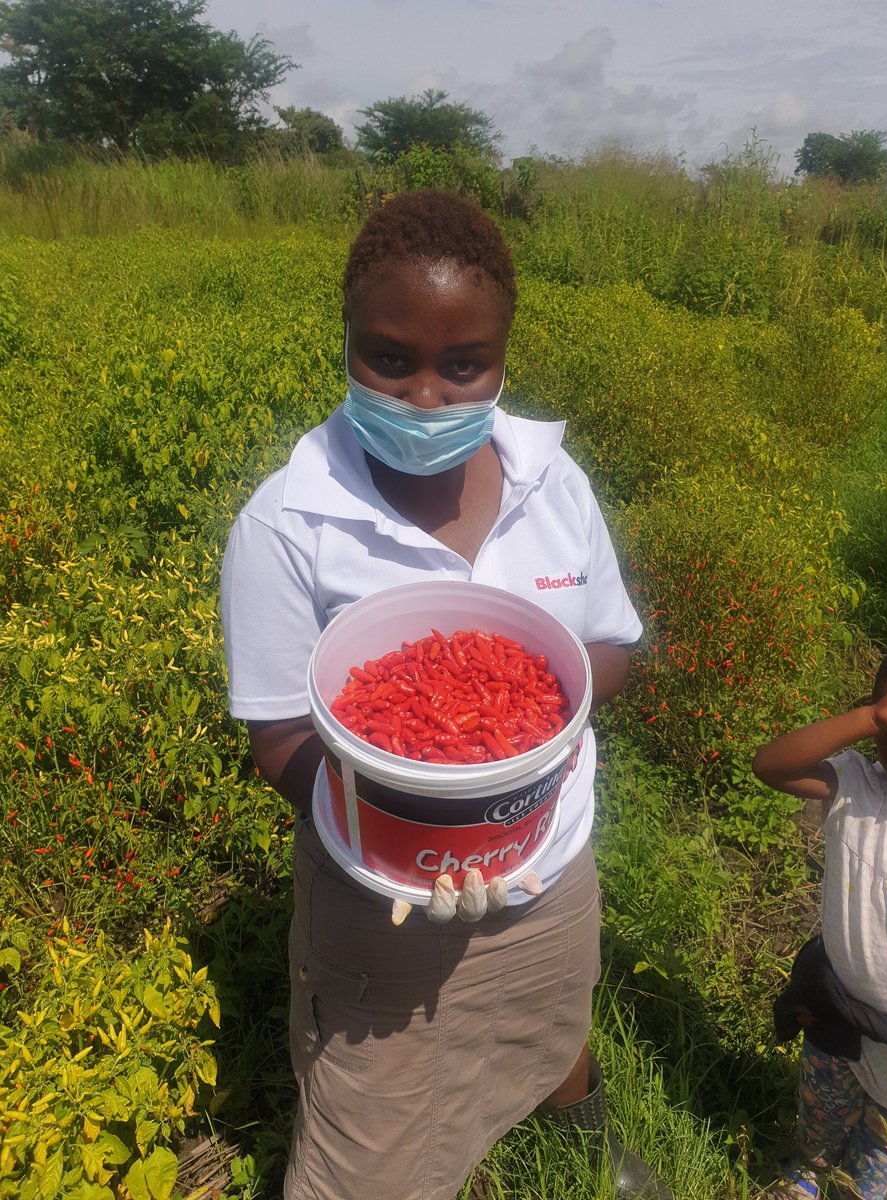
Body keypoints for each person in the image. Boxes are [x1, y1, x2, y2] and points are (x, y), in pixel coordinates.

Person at [220, 189, 673, 1200]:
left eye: (462, 365)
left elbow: (607, 648)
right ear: (347, 344)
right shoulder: (288, 522)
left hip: (547, 850)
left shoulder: (554, 484)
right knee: (370, 1122)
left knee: (553, 1006)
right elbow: (281, 733)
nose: (426, 395)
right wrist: (410, 816)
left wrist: (528, 720)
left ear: (502, 357)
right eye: (391, 358)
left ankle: (584, 1136)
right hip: (382, 889)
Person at [753, 644, 887, 1200]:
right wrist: (870, 719)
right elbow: (771, 764)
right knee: (822, 1116)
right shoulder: (855, 784)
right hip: (838, 1005)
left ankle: (856, 1190)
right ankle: (807, 1176)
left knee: (884, 1140)